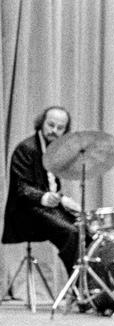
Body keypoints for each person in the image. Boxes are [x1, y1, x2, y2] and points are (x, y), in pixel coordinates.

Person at [3, 106, 84, 272]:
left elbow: (50, 186)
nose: (54, 131)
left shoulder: (53, 150)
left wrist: (62, 199)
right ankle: (77, 289)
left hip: (46, 209)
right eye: (51, 125)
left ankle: (89, 285)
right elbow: (21, 188)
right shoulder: (26, 149)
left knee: (85, 228)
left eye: (60, 128)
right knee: (72, 233)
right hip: (26, 212)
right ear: (41, 123)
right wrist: (45, 197)